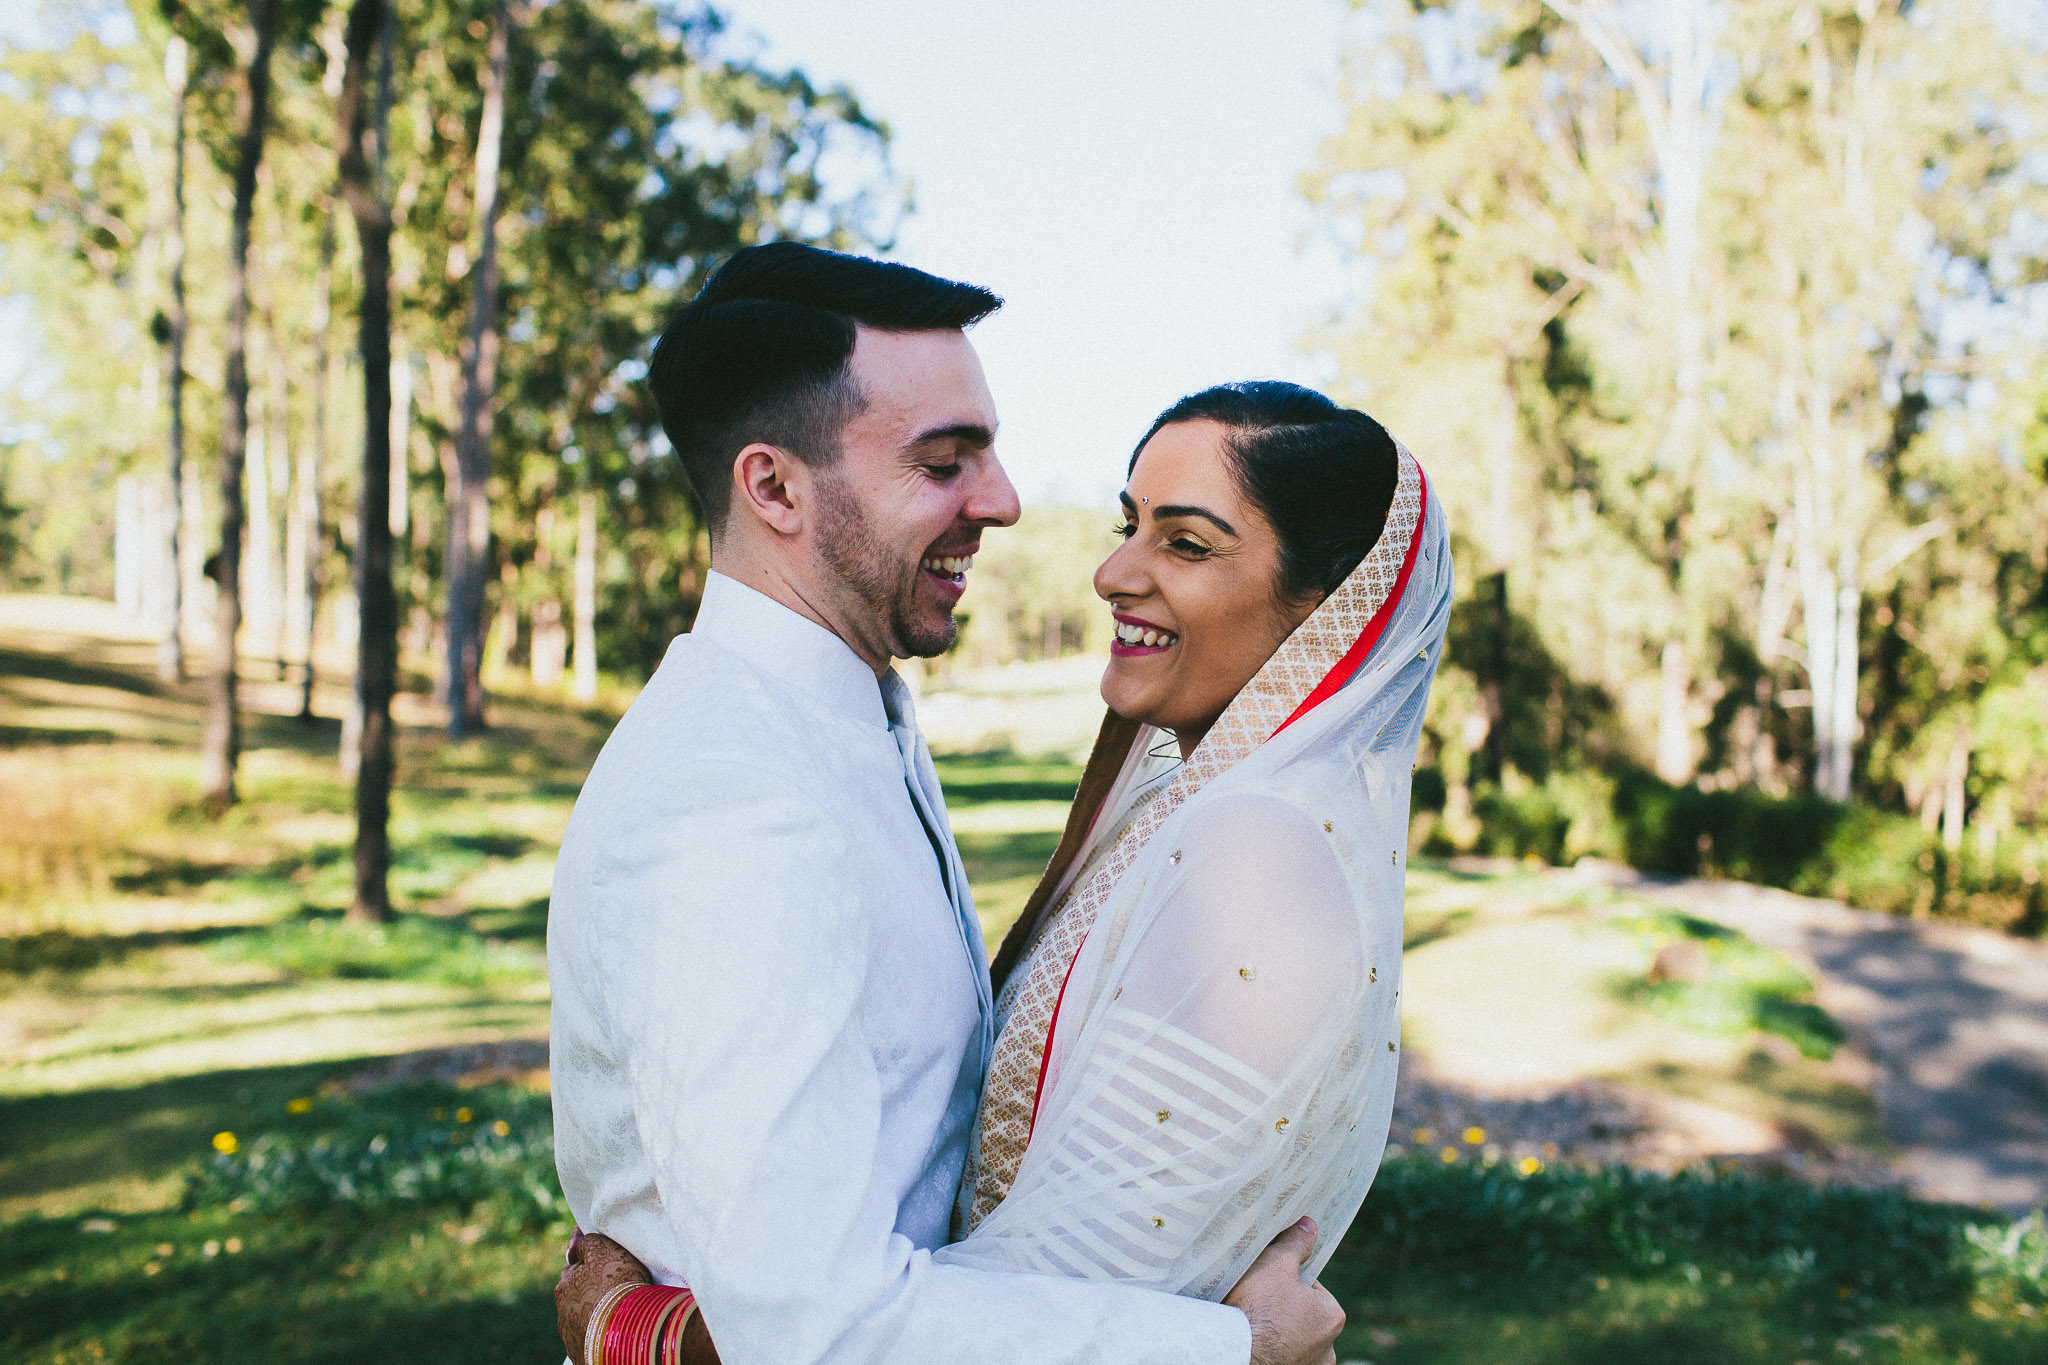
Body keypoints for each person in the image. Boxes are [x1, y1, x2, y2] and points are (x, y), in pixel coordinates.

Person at [546, 246, 1349, 1365]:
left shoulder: (849, 711)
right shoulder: (731, 801)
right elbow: (818, 1328)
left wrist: (639, 1338)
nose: (1005, 502)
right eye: (943, 461)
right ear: (772, 488)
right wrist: (1225, 1351)